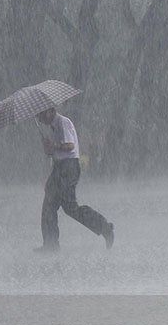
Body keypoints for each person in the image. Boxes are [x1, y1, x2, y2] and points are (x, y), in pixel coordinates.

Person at [37, 107, 114, 251]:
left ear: (50, 111)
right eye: (37, 116)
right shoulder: (54, 126)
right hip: (59, 167)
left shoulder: (62, 122)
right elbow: (57, 150)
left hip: (68, 168)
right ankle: (50, 244)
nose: (39, 118)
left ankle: (105, 227)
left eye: (41, 114)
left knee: (70, 207)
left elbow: (70, 146)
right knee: (49, 206)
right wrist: (49, 149)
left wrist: (53, 145)